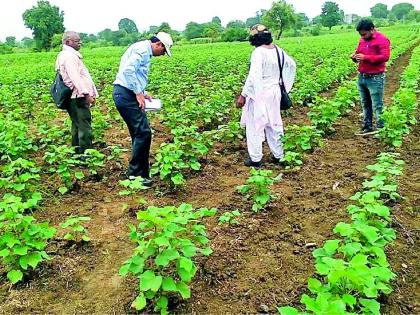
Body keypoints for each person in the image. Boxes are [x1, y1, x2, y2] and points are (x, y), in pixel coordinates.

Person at [112, 32, 173, 186]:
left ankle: (140, 172)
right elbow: (128, 71)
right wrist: (138, 92)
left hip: (126, 93)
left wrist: (143, 92)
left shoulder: (143, 48)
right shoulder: (143, 50)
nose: (163, 54)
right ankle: (136, 175)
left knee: (139, 133)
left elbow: (134, 74)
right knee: (143, 132)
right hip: (125, 95)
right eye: (163, 51)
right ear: (158, 44)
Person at [236, 24, 296, 167]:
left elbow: (253, 77)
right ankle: (278, 155)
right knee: (274, 124)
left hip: (260, 93)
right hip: (275, 93)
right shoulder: (278, 50)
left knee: (255, 124)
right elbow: (292, 65)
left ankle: (256, 159)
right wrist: (284, 84)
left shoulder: (258, 52)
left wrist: (243, 95)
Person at [55, 31, 98, 154]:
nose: (80, 43)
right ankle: (87, 155)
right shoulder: (69, 56)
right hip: (77, 96)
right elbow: (75, 78)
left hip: (74, 96)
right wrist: (86, 94)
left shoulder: (67, 55)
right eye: (77, 41)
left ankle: (76, 152)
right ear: (68, 42)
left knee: (77, 124)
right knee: (84, 127)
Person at [351, 19, 390, 135]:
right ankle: (367, 126)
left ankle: (381, 128)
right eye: (360, 34)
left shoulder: (382, 39)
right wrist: (355, 57)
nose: (362, 36)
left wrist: (366, 57)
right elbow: (359, 53)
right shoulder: (362, 40)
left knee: (377, 105)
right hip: (362, 76)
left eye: (364, 33)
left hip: (375, 78)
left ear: (372, 29)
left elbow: (385, 57)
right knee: (365, 103)